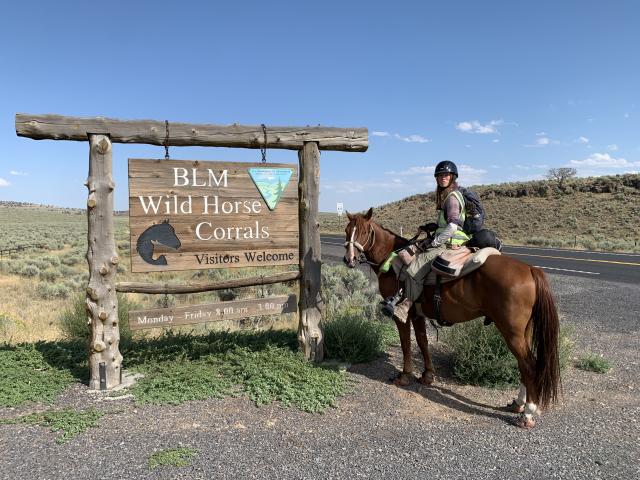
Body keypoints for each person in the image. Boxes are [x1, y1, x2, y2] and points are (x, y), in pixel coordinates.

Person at [383, 160, 470, 322]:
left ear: (452, 177)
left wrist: (435, 242)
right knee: (408, 253)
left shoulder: (451, 198)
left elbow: (452, 226)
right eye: (440, 175)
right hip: (447, 238)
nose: (443, 178)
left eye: (446, 175)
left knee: (415, 268)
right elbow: (446, 223)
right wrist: (432, 227)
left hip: (449, 242)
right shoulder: (449, 195)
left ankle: (405, 307)